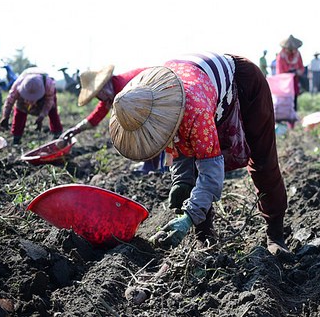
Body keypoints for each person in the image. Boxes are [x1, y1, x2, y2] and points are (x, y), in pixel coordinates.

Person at [108, 53, 289, 255]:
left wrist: (188, 217)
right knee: (191, 172)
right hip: (202, 89)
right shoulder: (155, 104)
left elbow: (211, 173)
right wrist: (181, 181)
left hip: (244, 83)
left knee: (262, 160)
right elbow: (177, 143)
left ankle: (276, 233)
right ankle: (205, 238)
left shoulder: (195, 111)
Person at [58, 65, 152, 169]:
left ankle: (154, 165)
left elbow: (144, 120)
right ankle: (151, 163)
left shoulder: (124, 90)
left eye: (98, 95)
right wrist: (76, 129)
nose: (99, 99)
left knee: (147, 128)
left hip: (155, 90)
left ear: (103, 89)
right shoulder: (111, 90)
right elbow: (98, 114)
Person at [0, 67, 62, 143]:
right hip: (23, 92)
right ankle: (16, 137)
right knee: (20, 111)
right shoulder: (17, 85)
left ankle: (57, 133)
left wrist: (42, 116)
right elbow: (9, 101)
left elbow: (49, 103)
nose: (30, 101)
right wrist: (5, 116)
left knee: (52, 110)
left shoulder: (49, 85)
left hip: (45, 95)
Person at [276, 35, 304, 111]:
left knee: (294, 97)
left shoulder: (297, 54)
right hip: (284, 81)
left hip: (294, 79)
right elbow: (280, 70)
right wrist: (287, 73)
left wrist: (297, 72)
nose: (291, 51)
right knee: (284, 98)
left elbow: (301, 67)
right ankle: (284, 113)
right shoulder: (281, 55)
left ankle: (293, 114)